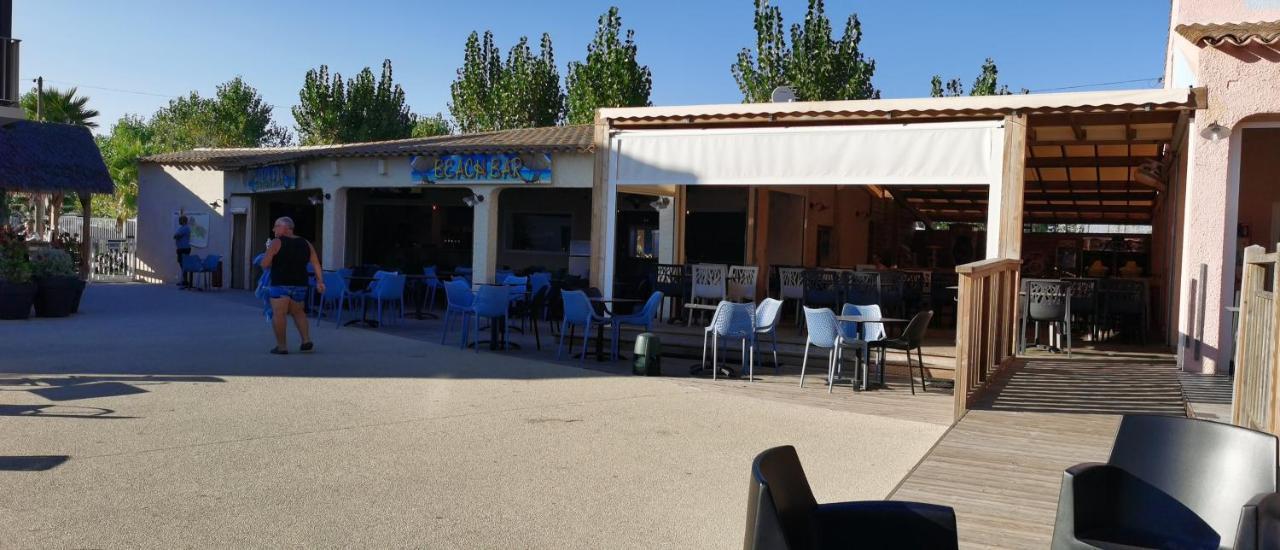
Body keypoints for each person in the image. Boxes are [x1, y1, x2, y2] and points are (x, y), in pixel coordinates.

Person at [261, 216, 324, 354]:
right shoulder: (306, 243)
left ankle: (282, 346)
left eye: (276, 226)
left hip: (280, 283)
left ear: (285, 227)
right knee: (298, 312)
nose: (273, 229)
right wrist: (320, 281)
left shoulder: (276, 242)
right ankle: (306, 340)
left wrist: (269, 253)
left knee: (279, 314)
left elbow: (265, 264)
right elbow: (315, 263)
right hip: (300, 284)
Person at [173, 215, 192, 288]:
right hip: (181, 248)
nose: (179, 221)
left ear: (183, 221)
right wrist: (176, 236)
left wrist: (176, 236)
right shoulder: (181, 228)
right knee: (181, 264)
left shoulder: (185, 228)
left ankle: (185, 281)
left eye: (180, 220)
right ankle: (185, 280)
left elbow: (176, 236)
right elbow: (175, 236)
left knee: (184, 264)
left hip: (184, 248)